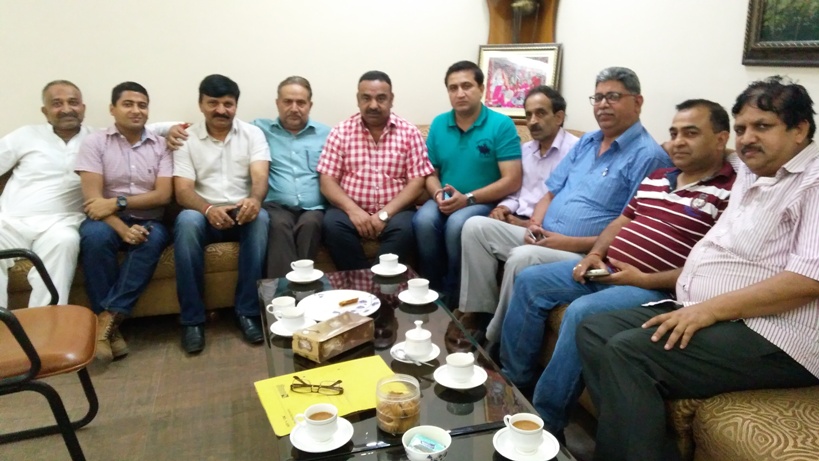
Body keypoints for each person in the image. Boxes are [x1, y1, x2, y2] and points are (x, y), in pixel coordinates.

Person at [576, 76, 819, 461]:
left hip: (774, 334)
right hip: (708, 310)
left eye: (762, 126)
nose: (748, 138)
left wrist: (708, 310)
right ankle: (645, 448)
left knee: (629, 353)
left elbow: (808, 281)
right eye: (741, 128)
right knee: (593, 329)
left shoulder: (813, 182)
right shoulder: (751, 169)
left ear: (800, 129)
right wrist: (668, 144)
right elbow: (705, 147)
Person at [501, 99, 736, 439]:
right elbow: (622, 221)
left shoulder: (730, 193)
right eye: (673, 133)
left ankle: (546, 423)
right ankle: (514, 383)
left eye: (691, 133)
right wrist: (595, 254)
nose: (677, 142)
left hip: (654, 288)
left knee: (581, 312)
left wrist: (645, 279)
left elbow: (712, 267)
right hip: (606, 269)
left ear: (720, 139)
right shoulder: (658, 176)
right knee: (529, 280)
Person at [459, 67, 672, 342]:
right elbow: (550, 194)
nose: (603, 104)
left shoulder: (649, 157)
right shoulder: (588, 141)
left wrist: (565, 242)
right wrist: (534, 224)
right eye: (598, 97)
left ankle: (493, 340)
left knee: (522, 258)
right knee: (475, 226)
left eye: (613, 96)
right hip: (543, 235)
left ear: (637, 102)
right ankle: (478, 313)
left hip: (583, 251)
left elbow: (630, 229)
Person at [75, 81, 172, 362]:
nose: (136, 110)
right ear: (112, 109)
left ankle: (105, 319)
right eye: (128, 104)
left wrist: (119, 202)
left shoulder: (161, 145)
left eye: (142, 105)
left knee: (150, 239)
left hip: (149, 220)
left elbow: (163, 195)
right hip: (105, 221)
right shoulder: (95, 143)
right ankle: (111, 330)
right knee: (94, 237)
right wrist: (122, 227)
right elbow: (93, 200)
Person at [173, 74, 270, 353]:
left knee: (261, 218)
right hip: (203, 213)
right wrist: (208, 209)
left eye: (228, 104)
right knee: (186, 220)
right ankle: (192, 320)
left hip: (241, 212)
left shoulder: (252, 134)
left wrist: (254, 199)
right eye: (213, 103)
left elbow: (260, 176)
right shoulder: (186, 139)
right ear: (201, 104)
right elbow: (182, 190)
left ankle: (247, 312)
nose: (221, 110)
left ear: (236, 106)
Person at [413, 60, 522, 302]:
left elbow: (512, 180)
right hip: (446, 197)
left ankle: (455, 296)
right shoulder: (439, 123)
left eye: (466, 86)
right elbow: (430, 172)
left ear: (481, 89)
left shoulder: (501, 125)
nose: (460, 93)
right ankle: (430, 292)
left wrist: (468, 199)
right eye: (453, 88)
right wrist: (437, 194)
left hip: (482, 201)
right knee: (423, 220)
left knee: (457, 225)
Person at [317, 70, 433, 270]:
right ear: (358, 99)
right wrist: (353, 211)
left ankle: (379, 282)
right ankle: (361, 279)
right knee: (332, 225)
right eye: (366, 98)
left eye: (381, 98)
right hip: (349, 210)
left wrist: (384, 214)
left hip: (396, 211)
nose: (373, 105)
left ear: (391, 99)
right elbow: (327, 181)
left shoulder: (409, 133)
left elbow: (417, 182)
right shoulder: (340, 132)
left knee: (407, 228)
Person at [0, 80, 90, 308]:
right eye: (57, 103)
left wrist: (171, 130)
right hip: (10, 223)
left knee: (66, 242)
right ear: (45, 111)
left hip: (60, 224)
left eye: (73, 102)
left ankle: (45, 323)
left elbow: (146, 131)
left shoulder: (97, 140)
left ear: (83, 108)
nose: (67, 109)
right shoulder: (25, 135)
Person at [253, 76, 330, 278]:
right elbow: (225, 124)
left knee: (311, 224)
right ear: (277, 103)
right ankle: (286, 290)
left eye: (301, 103)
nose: (294, 108)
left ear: (310, 105)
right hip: (276, 206)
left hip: (314, 208)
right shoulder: (258, 130)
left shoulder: (327, 134)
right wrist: (175, 129)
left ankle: (300, 284)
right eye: (287, 102)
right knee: (278, 225)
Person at [487, 86, 578, 228]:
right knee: (474, 225)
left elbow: (571, 204)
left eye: (540, 113)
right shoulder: (525, 150)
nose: (532, 121)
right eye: (528, 115)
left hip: (548, 228)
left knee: (474, 225)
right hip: (516, 219)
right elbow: (515, 194)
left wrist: (528, 224)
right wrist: (503, 208)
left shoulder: (577, 151)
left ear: (558, 117)